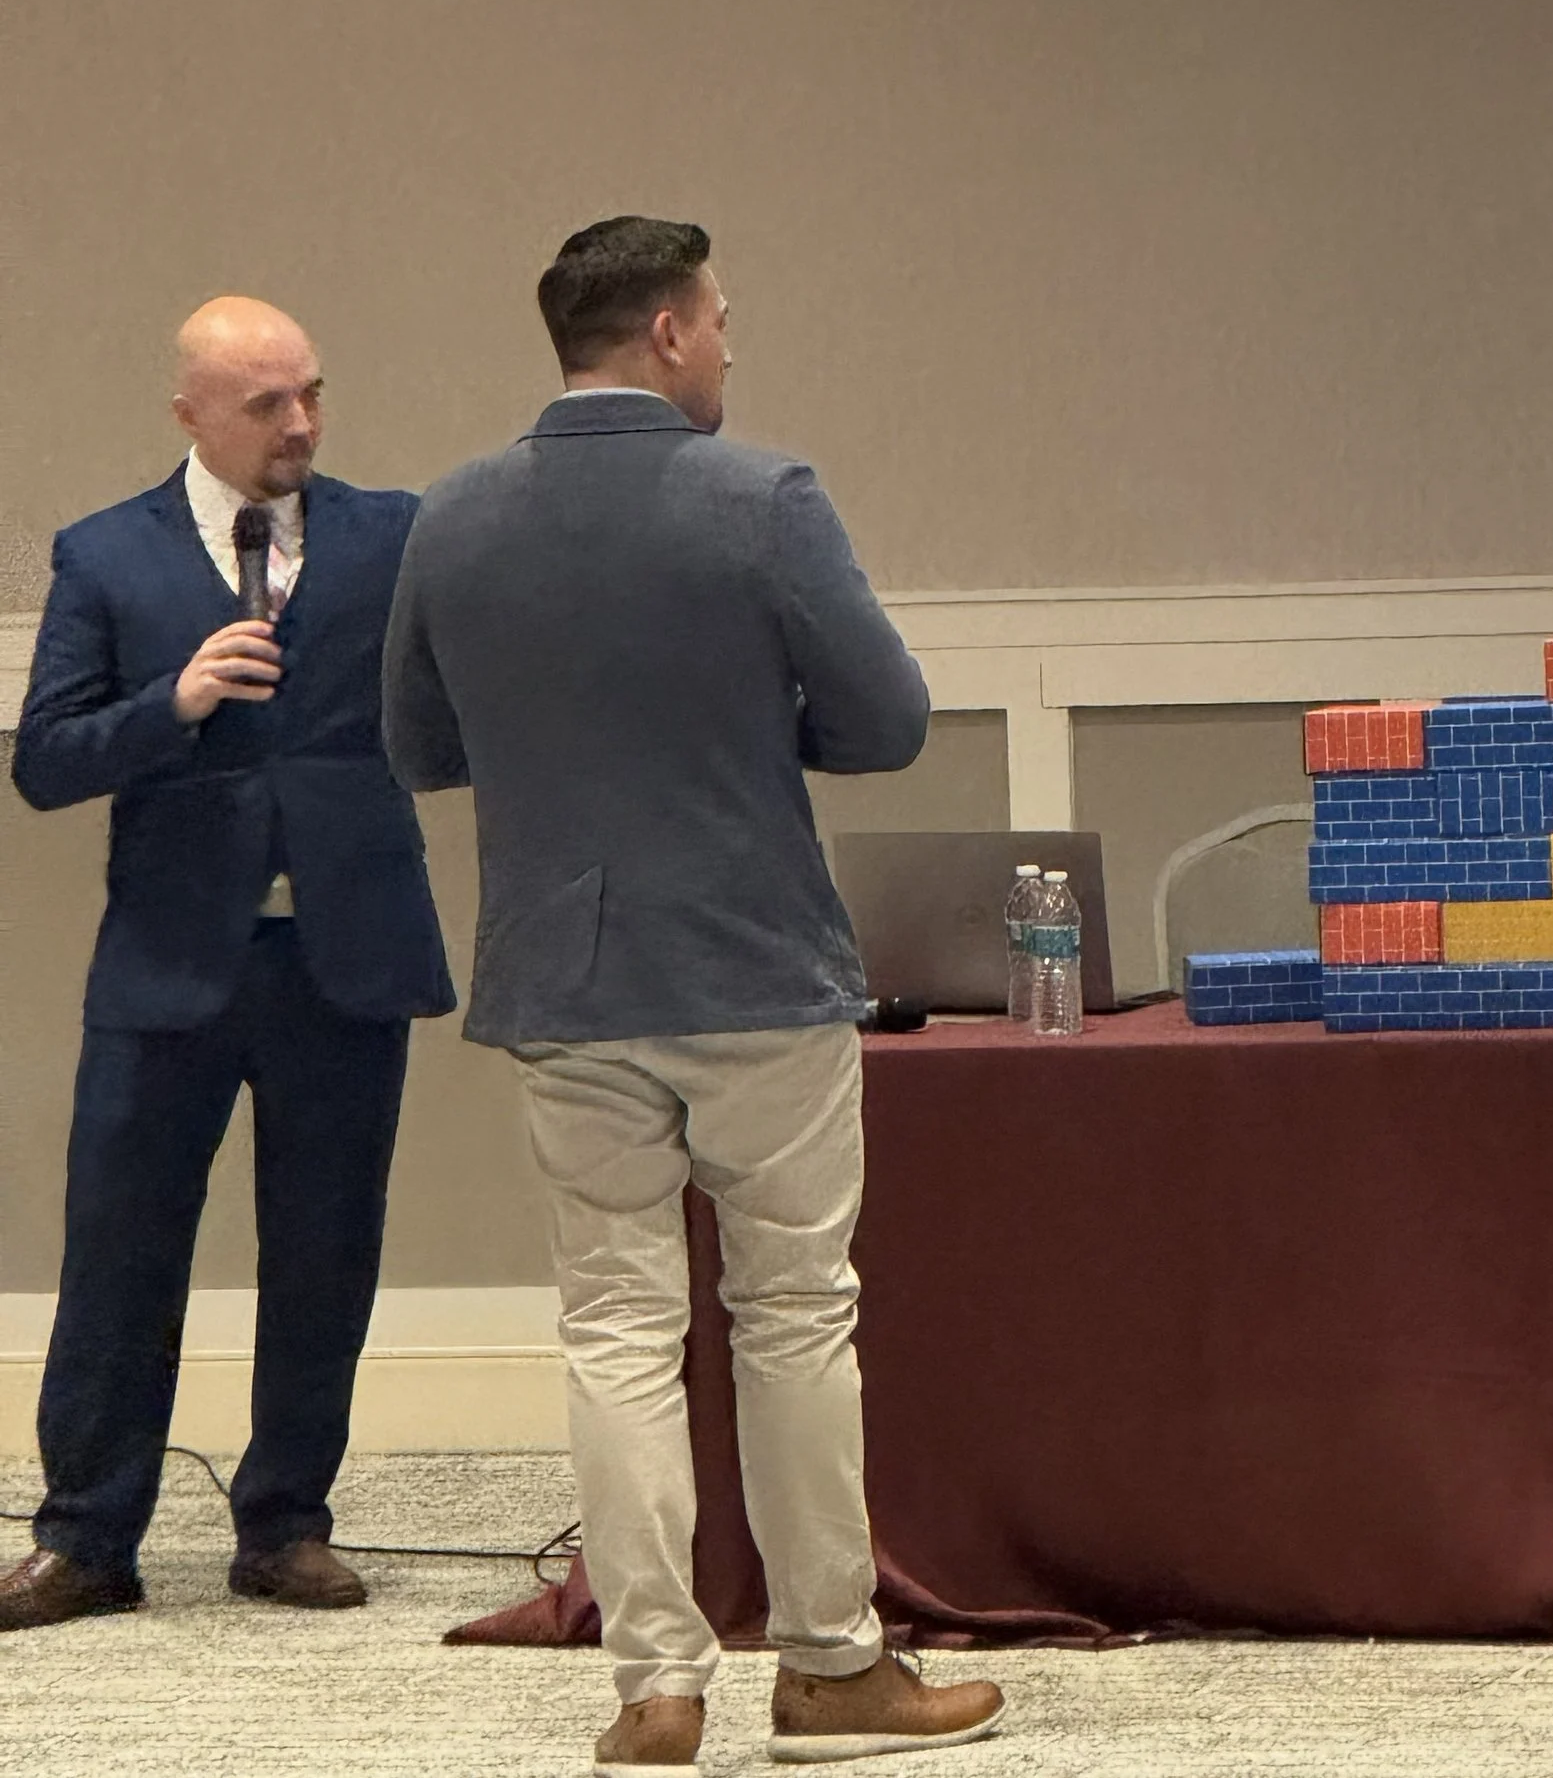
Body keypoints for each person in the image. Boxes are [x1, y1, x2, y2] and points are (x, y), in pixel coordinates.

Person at [382, 217, 1003, 1773]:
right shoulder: (763, 498)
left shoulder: (447, 518)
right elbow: (889, 721)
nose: (730, 345)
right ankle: (833, 1670)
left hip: (563, 975)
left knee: (612, 1330)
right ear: (665, 332)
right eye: (721, 320)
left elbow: (418, 749)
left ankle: (654, 1686)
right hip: (749, 964)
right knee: (793, 1316)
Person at [2, 298, 454, 1630]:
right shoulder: (105, 555)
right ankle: (88, 1536)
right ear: (191, 412)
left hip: (345, 952)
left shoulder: (393, 535)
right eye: (267, 404)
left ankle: (286, 1523)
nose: (300, 424)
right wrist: (177, 702)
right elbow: (44, 764)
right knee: (119, 1252)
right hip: (168, 963)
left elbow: (453, 701)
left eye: (311, 393)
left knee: (326, 1247)